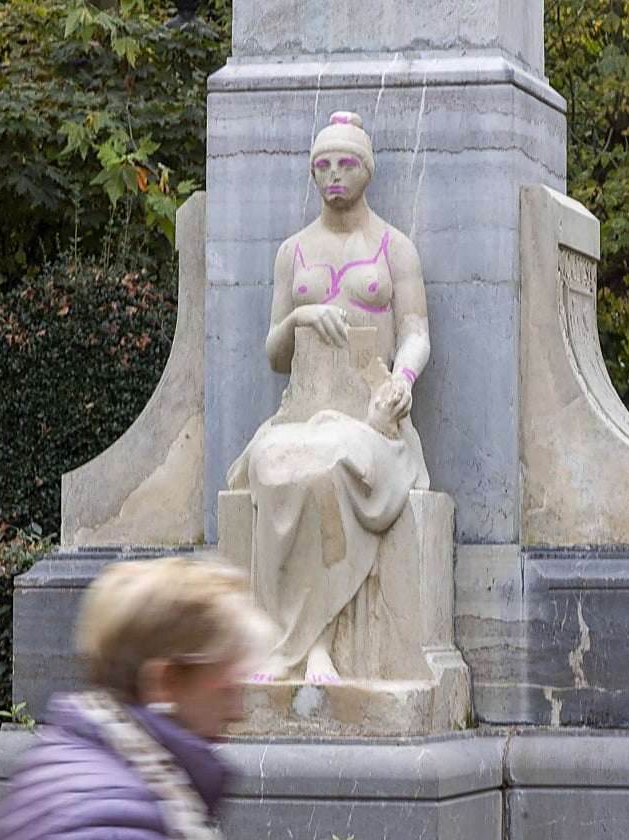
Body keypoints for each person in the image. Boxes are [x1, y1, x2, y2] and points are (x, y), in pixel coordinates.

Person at [226, 111, 432, 683]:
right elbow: (273, 353)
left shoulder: (395, 248)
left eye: (345, 164)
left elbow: (416, 332)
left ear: (367, 170)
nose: (333, 175)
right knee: (271, 462)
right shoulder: (293, 252)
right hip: (300, 412)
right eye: (322, 166)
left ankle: (313, 643)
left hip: (369, 417)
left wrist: (402, 382)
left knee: (330, 463)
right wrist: (299, 317)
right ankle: (301, 644)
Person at [0, 556, 274, 840]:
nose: (237, 712)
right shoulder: (112, 819)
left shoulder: (73, 769)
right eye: (226, 684)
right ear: (167, 682)